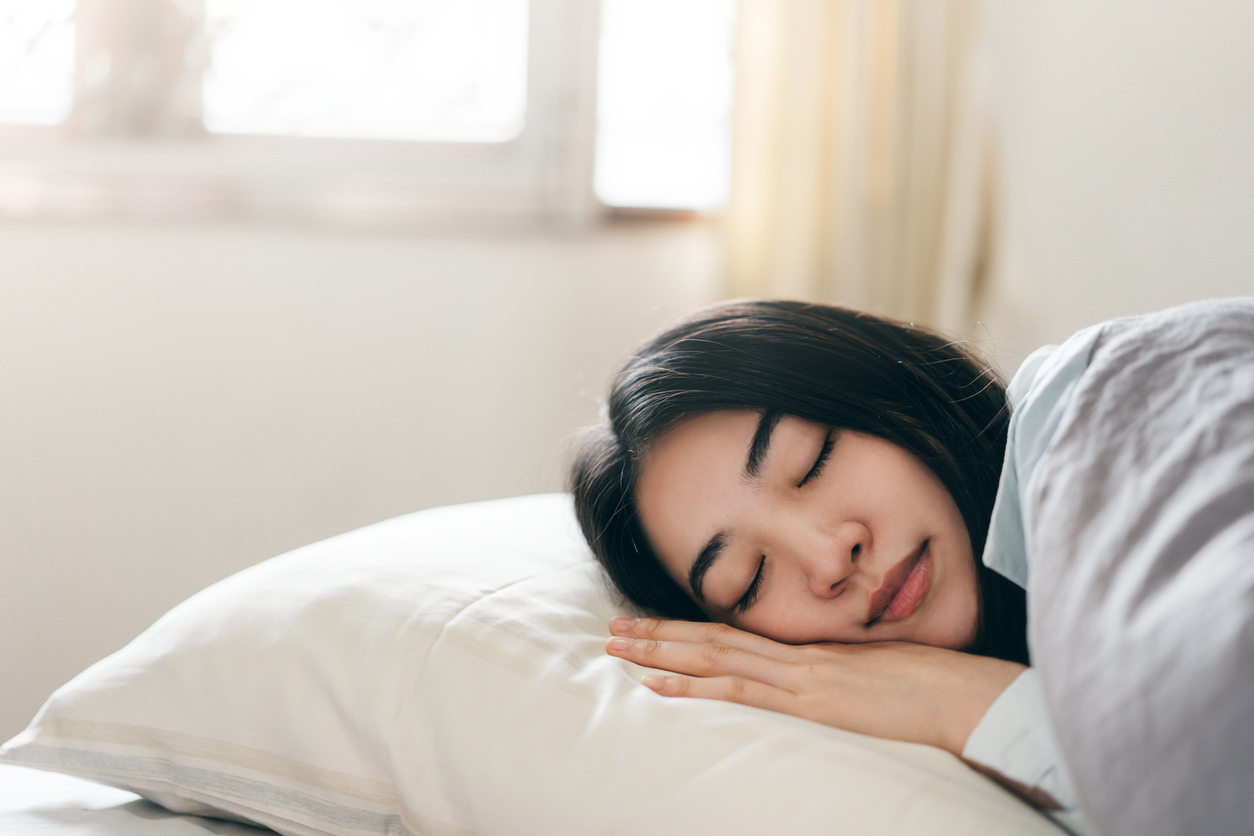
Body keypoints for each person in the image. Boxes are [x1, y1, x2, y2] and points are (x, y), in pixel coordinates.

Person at [568, 299, 1094, 831]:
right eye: (750, 580)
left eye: (812, 461)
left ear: (887, 388)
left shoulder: (1087, 411)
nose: (828, 557)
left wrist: (959, 701)